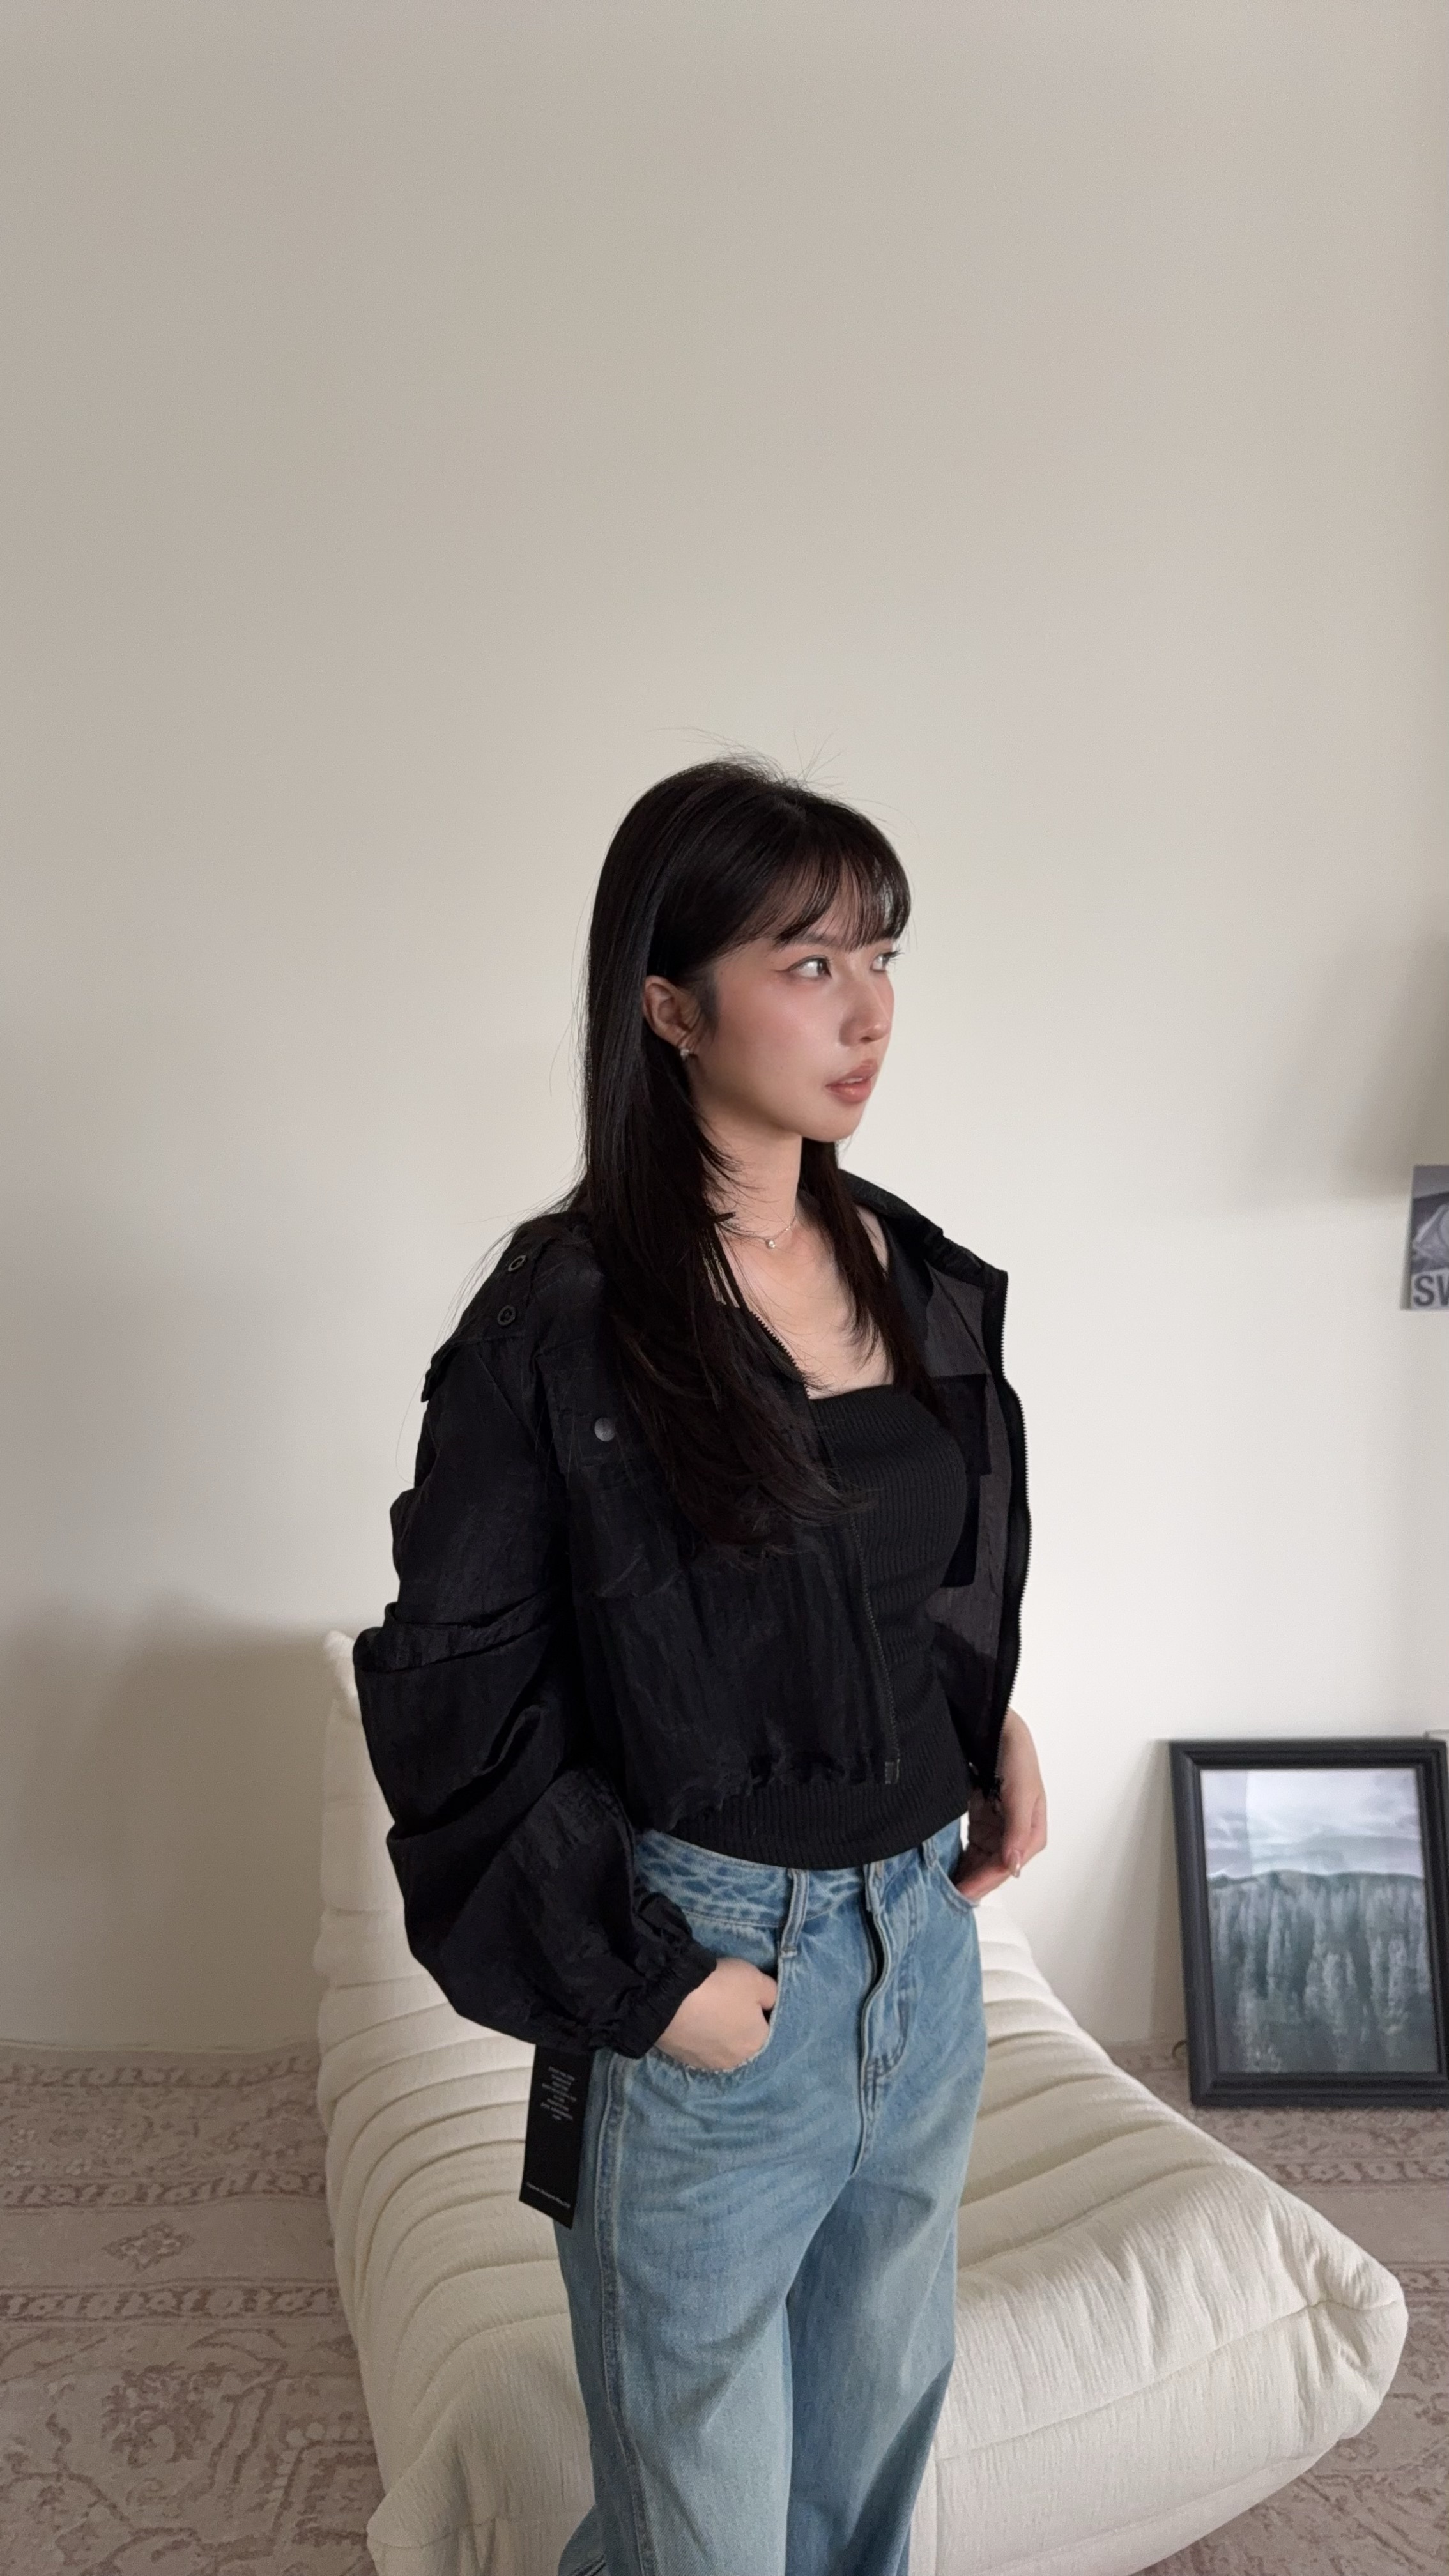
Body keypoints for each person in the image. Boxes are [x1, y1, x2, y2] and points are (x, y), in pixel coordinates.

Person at [352, 755, 1047, 2576]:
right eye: (809, 964)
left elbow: (893, 1577)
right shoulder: (561, 1323)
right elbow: (455, 1690)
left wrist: (984, 1729)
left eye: (881, 958)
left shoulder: (903, 1263)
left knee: (864, 2482)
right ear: (668, 1007)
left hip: (924, 1956)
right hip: (712, 1969)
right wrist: (648, 1982)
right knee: (704, 2530)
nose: (868, 1012)